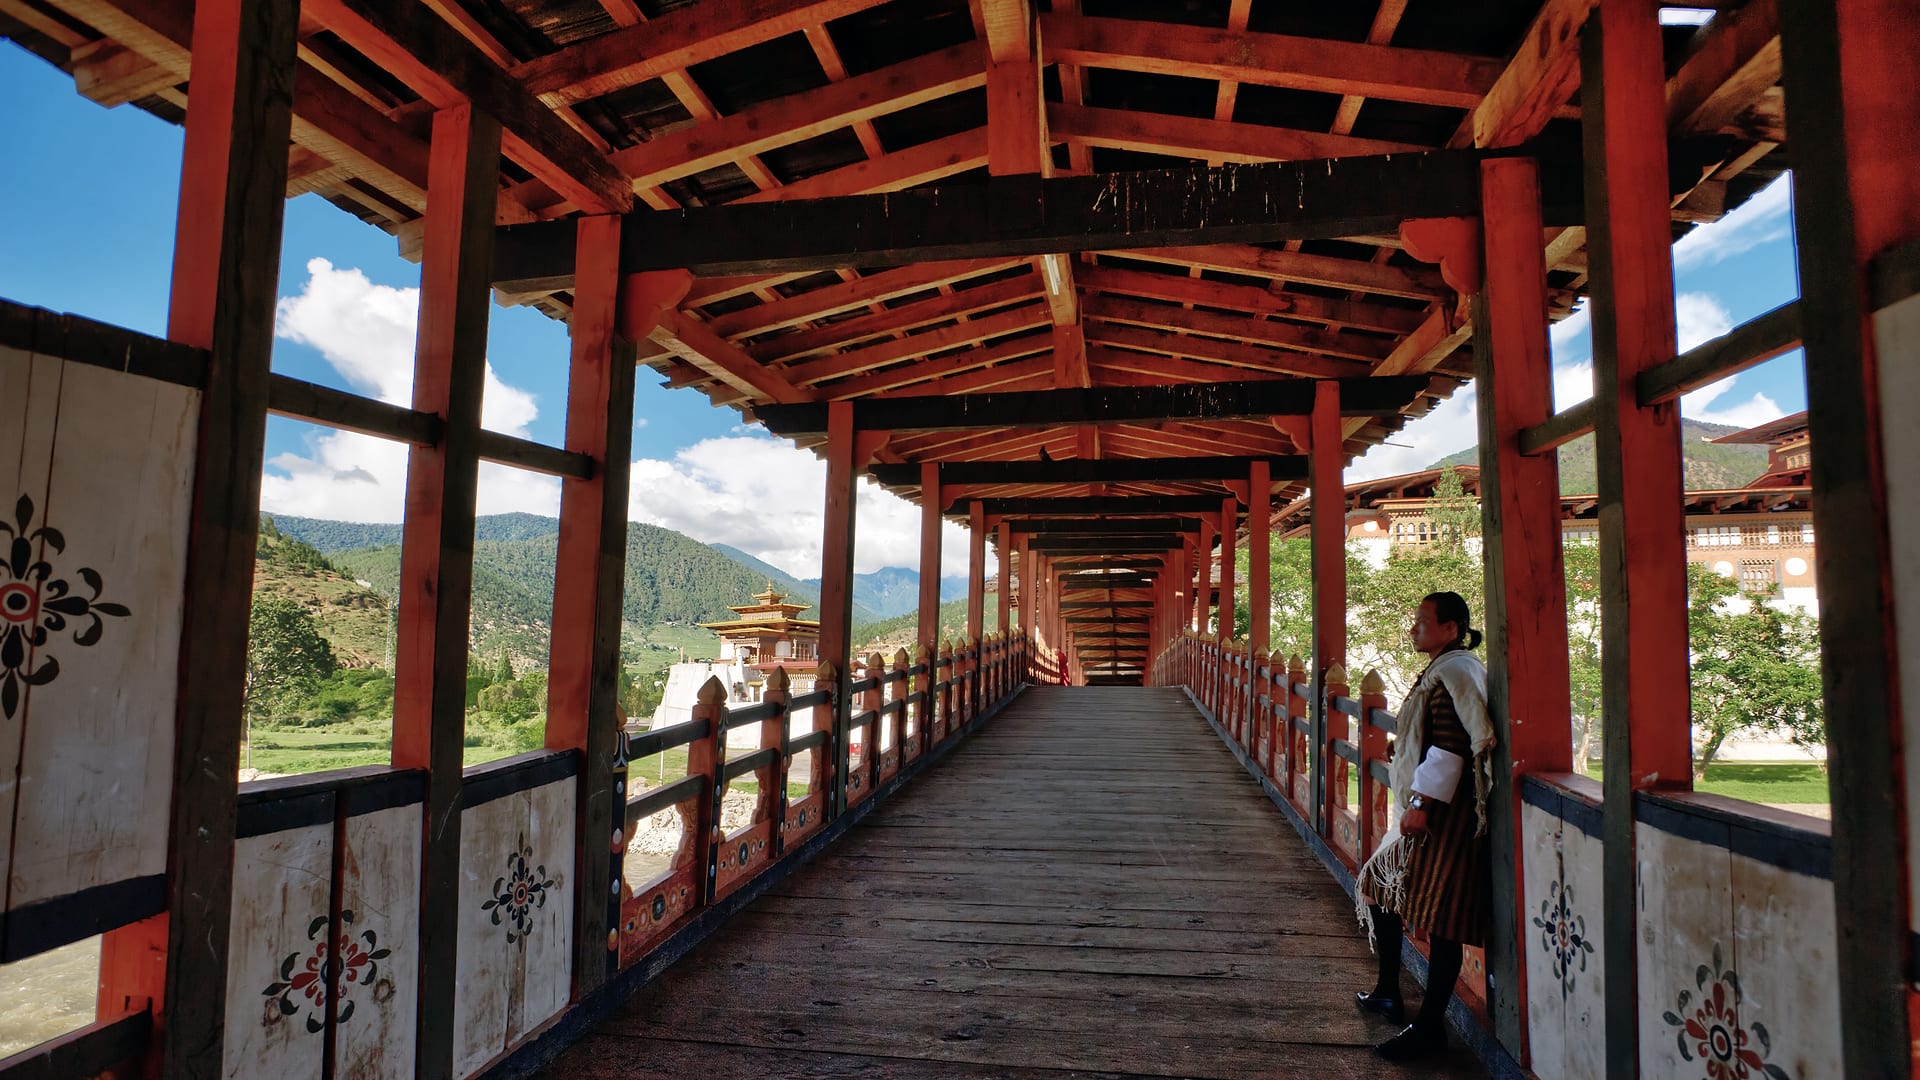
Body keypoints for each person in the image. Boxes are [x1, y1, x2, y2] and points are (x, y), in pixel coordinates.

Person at [1352, 591, 1494, 1063]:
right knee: (1379, 885)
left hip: (1444, 816)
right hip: (1434, 808)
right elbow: (1431, 735)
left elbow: (1451, 747)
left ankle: (1430, 1027)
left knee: (1443, 918)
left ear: (1451, 628)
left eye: (1423, 621)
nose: (1414, 628)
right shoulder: (1443, 668)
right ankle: (1388, 992)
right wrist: (1405, 747)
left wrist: (1420, 802)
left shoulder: (1455, 671)